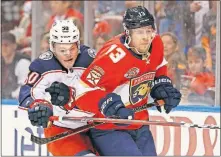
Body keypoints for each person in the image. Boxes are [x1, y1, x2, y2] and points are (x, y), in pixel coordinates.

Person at [46, 6, 182, 156]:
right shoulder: (112, 56)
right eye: (139, 32)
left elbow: (159, 65)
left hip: (139, 123)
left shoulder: (156, 42)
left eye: (148, 30)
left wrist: (162, 85)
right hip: (109, 128)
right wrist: (110, 105)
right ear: (128, 32)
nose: (145, 37)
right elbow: (83, 90)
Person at [18, 20, 97, 156]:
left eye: (72, 48)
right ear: (52, 47)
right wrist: (38, 105)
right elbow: (27, 91)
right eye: (62, 50)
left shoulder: (91, 59)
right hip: (61, 129)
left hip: (95, 126)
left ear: (78, 44)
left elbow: (107, 86)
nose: (68, 54)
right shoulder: (43, 65)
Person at [2, 32, 31, 99]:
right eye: (1, 45)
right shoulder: (1, 62)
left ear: (14, 46)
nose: (3, 48)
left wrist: (10, 95)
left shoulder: (23, 62)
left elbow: (25, 86)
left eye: (6, 45)